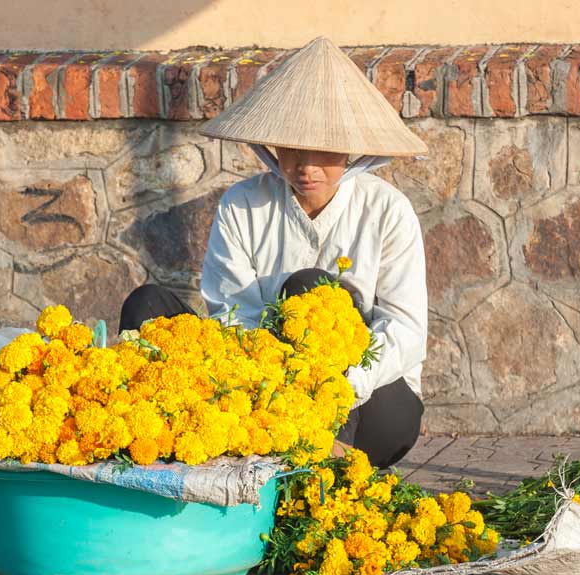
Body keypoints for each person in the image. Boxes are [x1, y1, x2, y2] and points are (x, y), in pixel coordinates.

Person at [119, 36, 429, 469]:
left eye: (323, 149)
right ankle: (157, 460)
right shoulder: (241, 204)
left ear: (351, 148)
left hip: (370, 406)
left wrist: (339, 385)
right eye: (292, 148)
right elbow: (232, 314)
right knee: (146, 306)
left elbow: (406, 330)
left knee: (310, 289)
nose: (306, 166)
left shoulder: (387, 210)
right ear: (272, 147)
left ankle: (322, 459)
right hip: (263, 394)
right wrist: (275, 386)